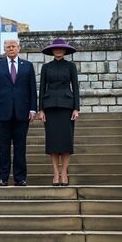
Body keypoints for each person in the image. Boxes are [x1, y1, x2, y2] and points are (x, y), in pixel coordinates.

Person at [0, 39, 37, 186]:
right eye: (8, 47)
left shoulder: (27, 66)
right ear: (4, 49)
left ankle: (20, 178)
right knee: (3, 148)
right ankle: (3, 177)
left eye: (13, 46)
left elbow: (32, 89)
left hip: (22, 113)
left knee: (20, 148)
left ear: (18, 48)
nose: (11, 49)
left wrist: (33, 108)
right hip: (2, 113)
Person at [38, 38, 80, 186]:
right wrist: (41, 109)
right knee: (53, 143)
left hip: (66, 107)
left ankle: (64, 173)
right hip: (50, 108)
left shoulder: (71, 66)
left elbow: (75, 87)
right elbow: (42, 88)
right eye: (56, 49)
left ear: (65, 50)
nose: (58, 51)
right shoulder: (46, 67)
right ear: (52, 51)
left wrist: (76, 108)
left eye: (61, 48)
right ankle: (56, 173)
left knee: (66, 142)